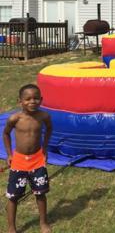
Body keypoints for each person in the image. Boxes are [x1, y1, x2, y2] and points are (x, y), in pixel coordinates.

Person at [3, 83, 52, 233]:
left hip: (37, 160)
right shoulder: (15, 118)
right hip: (19, 161)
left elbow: (49, 129)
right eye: (28, 99)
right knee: (13, 196)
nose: (32, 101)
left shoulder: (44, 116)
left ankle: (43, 223)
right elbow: (5, 134)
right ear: (20, 101)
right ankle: (12, 227)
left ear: (41, 99)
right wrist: (9, 154)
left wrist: (44, 147)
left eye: (36, 98)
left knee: (41, 193)